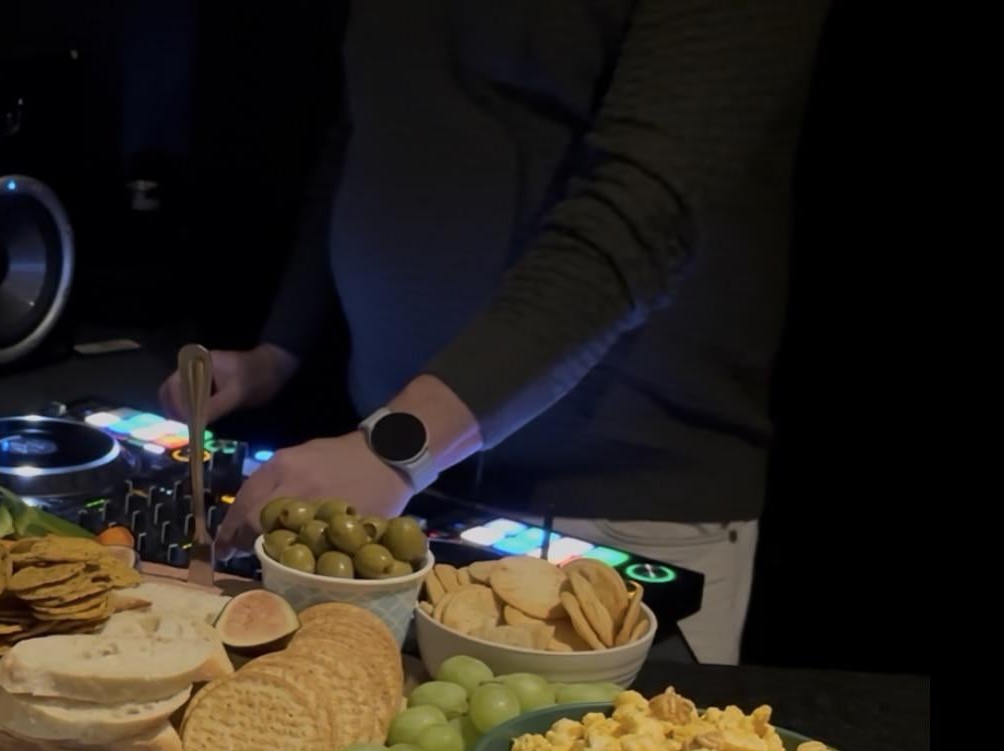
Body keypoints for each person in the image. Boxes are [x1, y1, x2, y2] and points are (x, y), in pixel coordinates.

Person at [168, 1, 829, 665]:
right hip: (393, 484)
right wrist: (279, 352)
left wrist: (396, 446)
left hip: (614, 516)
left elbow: (641, 218)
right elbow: (369, 127)